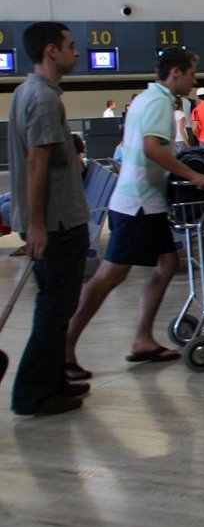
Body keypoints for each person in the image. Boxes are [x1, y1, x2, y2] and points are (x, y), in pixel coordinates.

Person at [66, 48, 204, 376]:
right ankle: (65, 346)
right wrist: (194, 176)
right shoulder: (160, 103)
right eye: (192, 74)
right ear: (175, 73)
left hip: (144, 201)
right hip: (138, 204)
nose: (194, 81)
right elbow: (152, 149)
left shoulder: (145, 99)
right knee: (110, 275)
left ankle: (142, 339)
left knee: (166, 264)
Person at [8, 23, 91, 416]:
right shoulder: (43, 99)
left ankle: (53, 380)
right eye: (70, 45)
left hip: (55, 219)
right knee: (55, 306)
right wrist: (38, 224)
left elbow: (45, 155)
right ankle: (32, 393)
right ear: (50, 51)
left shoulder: (27, 92)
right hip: (57, 222)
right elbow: (36, 164)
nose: (77, 52)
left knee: (59, 305)